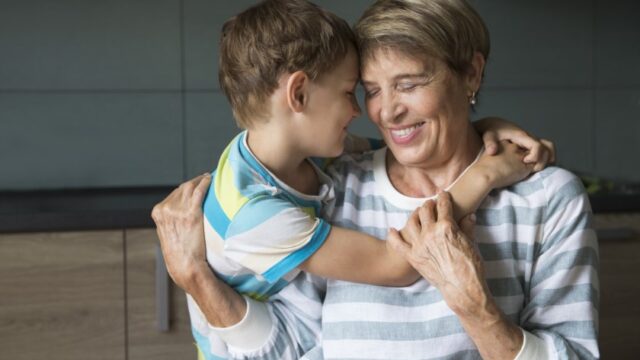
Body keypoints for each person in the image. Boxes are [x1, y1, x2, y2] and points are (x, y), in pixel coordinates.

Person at [152, 0, 599, 359]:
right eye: (368, 90)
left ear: (471, 73)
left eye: (408, 83)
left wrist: (477, 311)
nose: (382, 111)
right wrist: (197, 279)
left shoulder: (548, 199)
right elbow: (289, 347)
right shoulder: (333, 186)